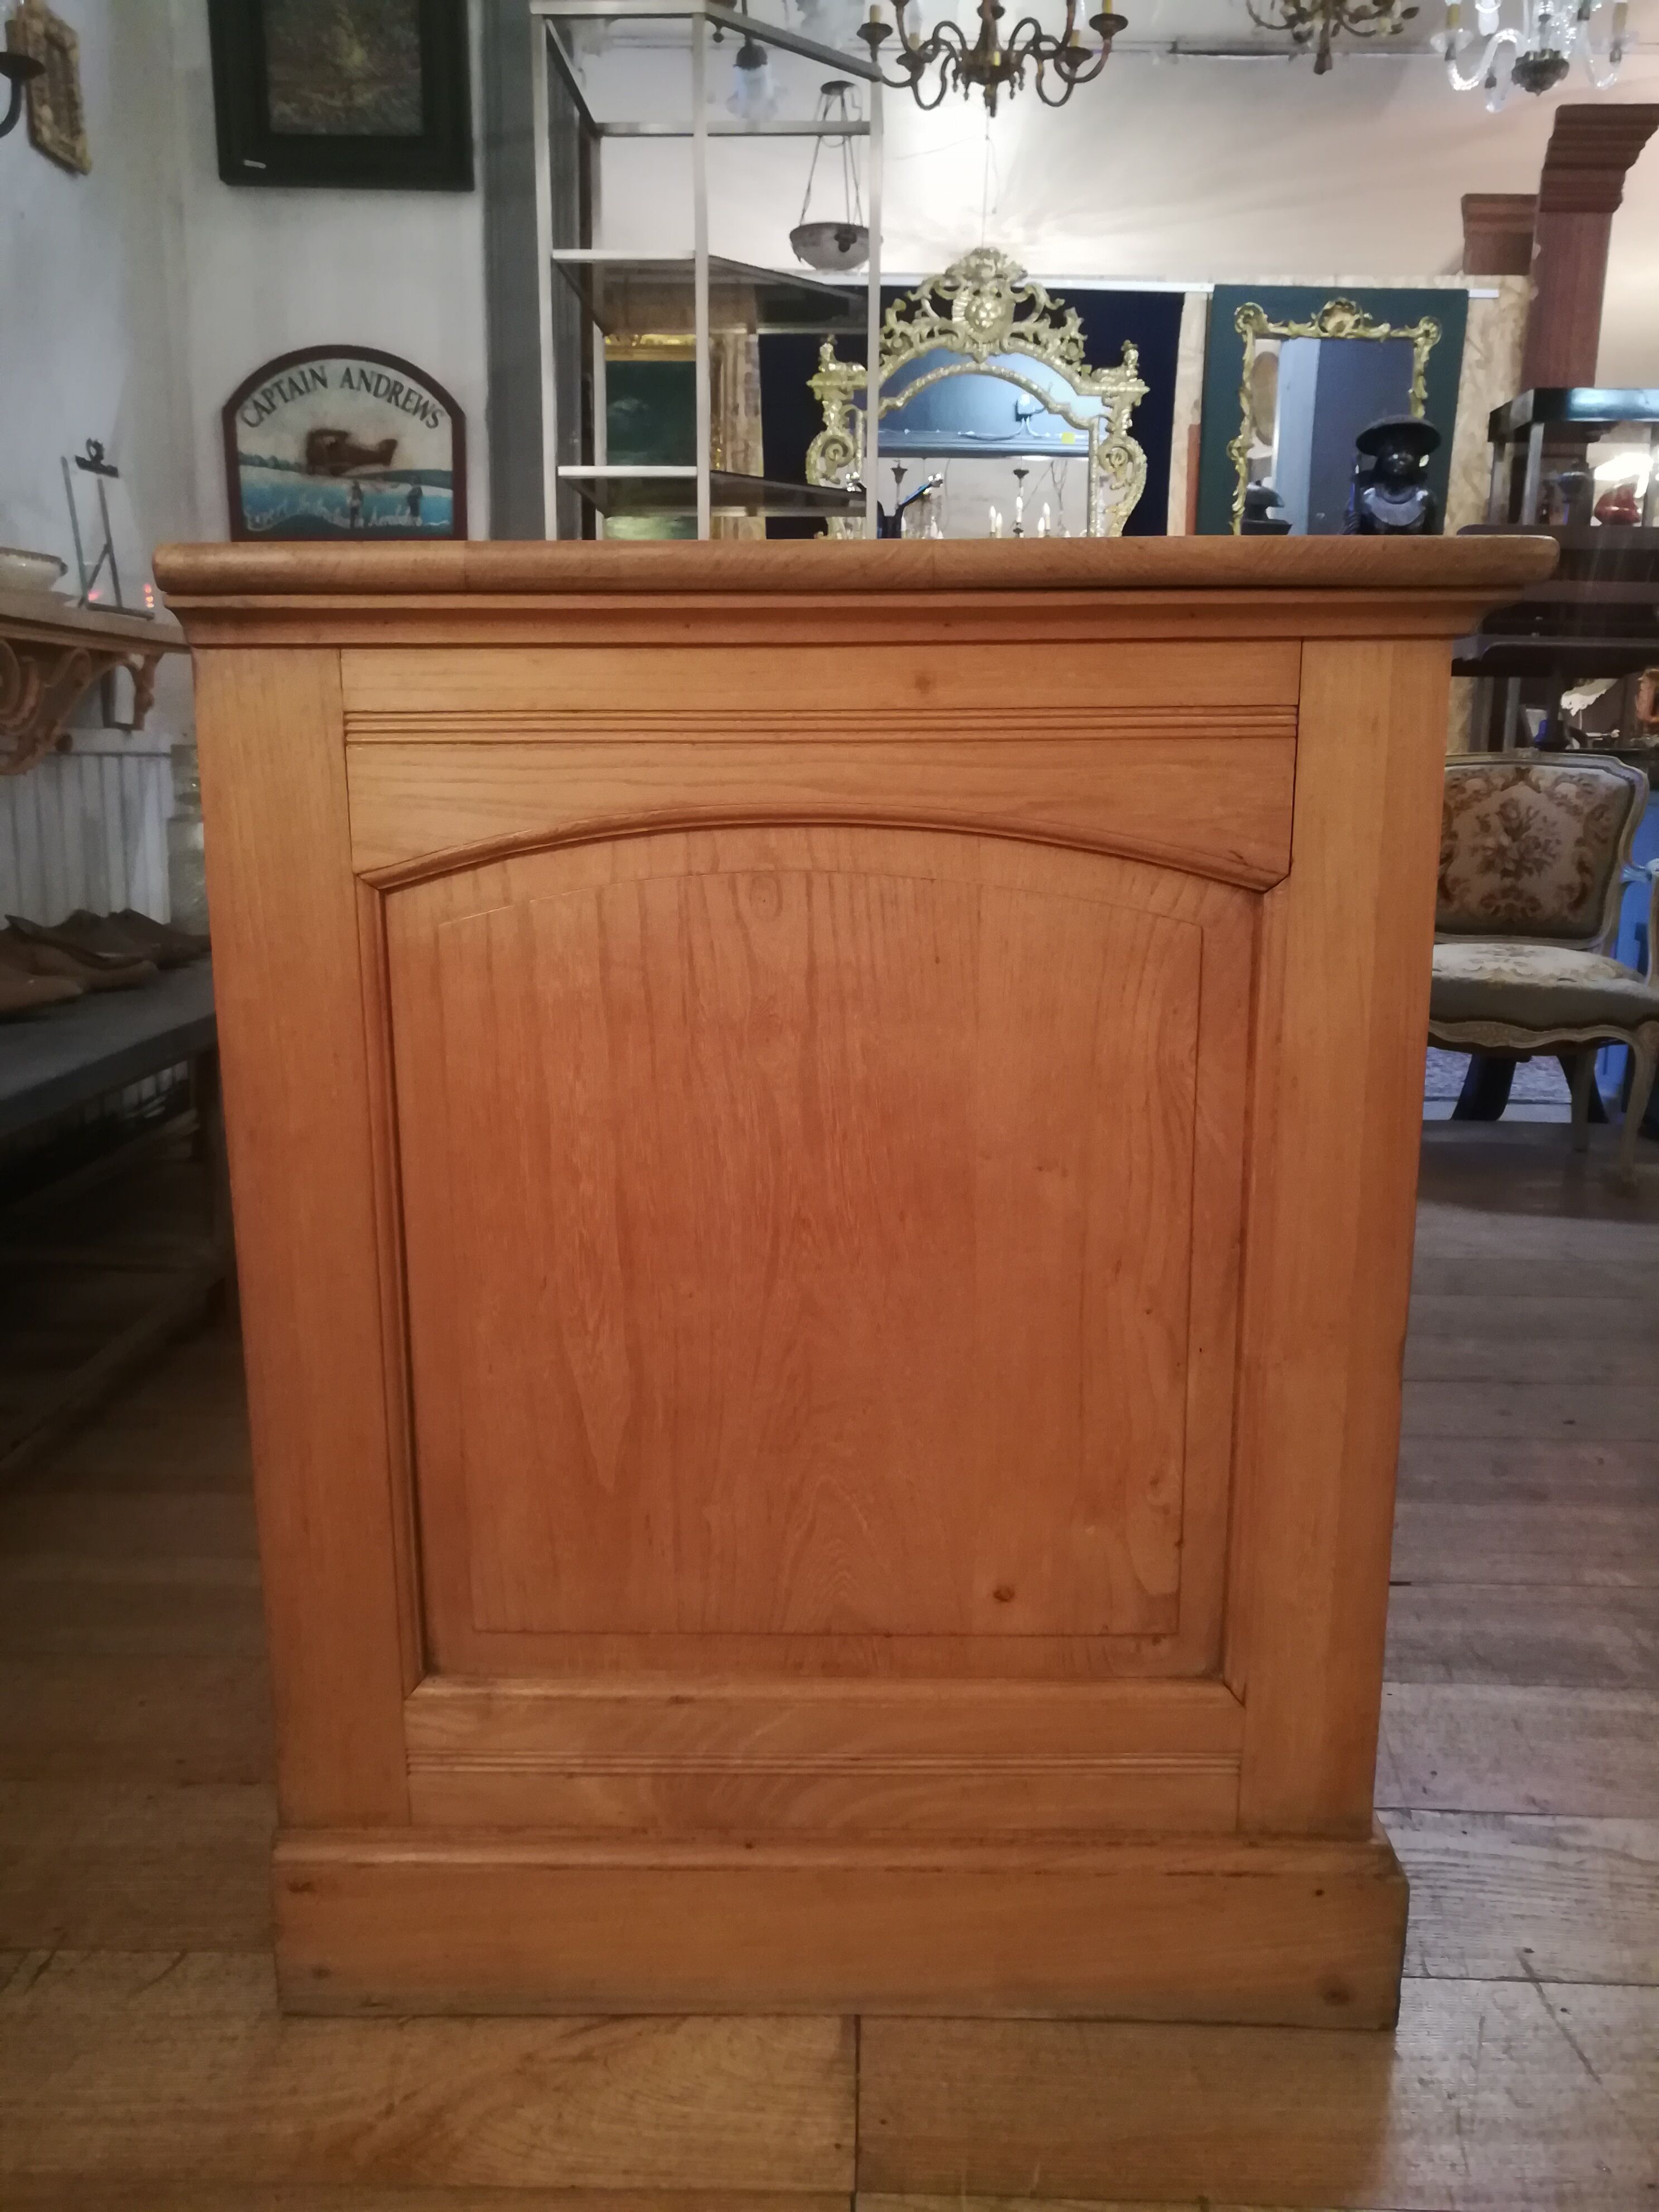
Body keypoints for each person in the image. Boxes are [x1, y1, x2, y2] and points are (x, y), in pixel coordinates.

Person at [1345, 414, 1441, 535]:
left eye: (1407, 451)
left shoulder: (1425, 499)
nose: (1400, 458)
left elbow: (1435, 545)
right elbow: (1346, 546)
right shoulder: (1366, 499)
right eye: (1393, 451)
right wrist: (1351, 528)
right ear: (1382, 455)